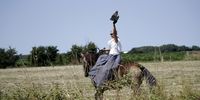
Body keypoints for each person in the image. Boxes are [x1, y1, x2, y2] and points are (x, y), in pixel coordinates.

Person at [88, 21, 122, 87]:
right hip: (110, 56)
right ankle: (96, 77)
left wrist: (114, 24)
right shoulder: (110, 41)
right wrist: (104, 50)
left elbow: (115, 33)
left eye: (113, 33)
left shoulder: (117, 39)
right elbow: (110, 49)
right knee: (100, 60)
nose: (112, 34)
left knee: (106, 68)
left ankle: (106, 81)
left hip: (115, 56)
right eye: (111, 34)